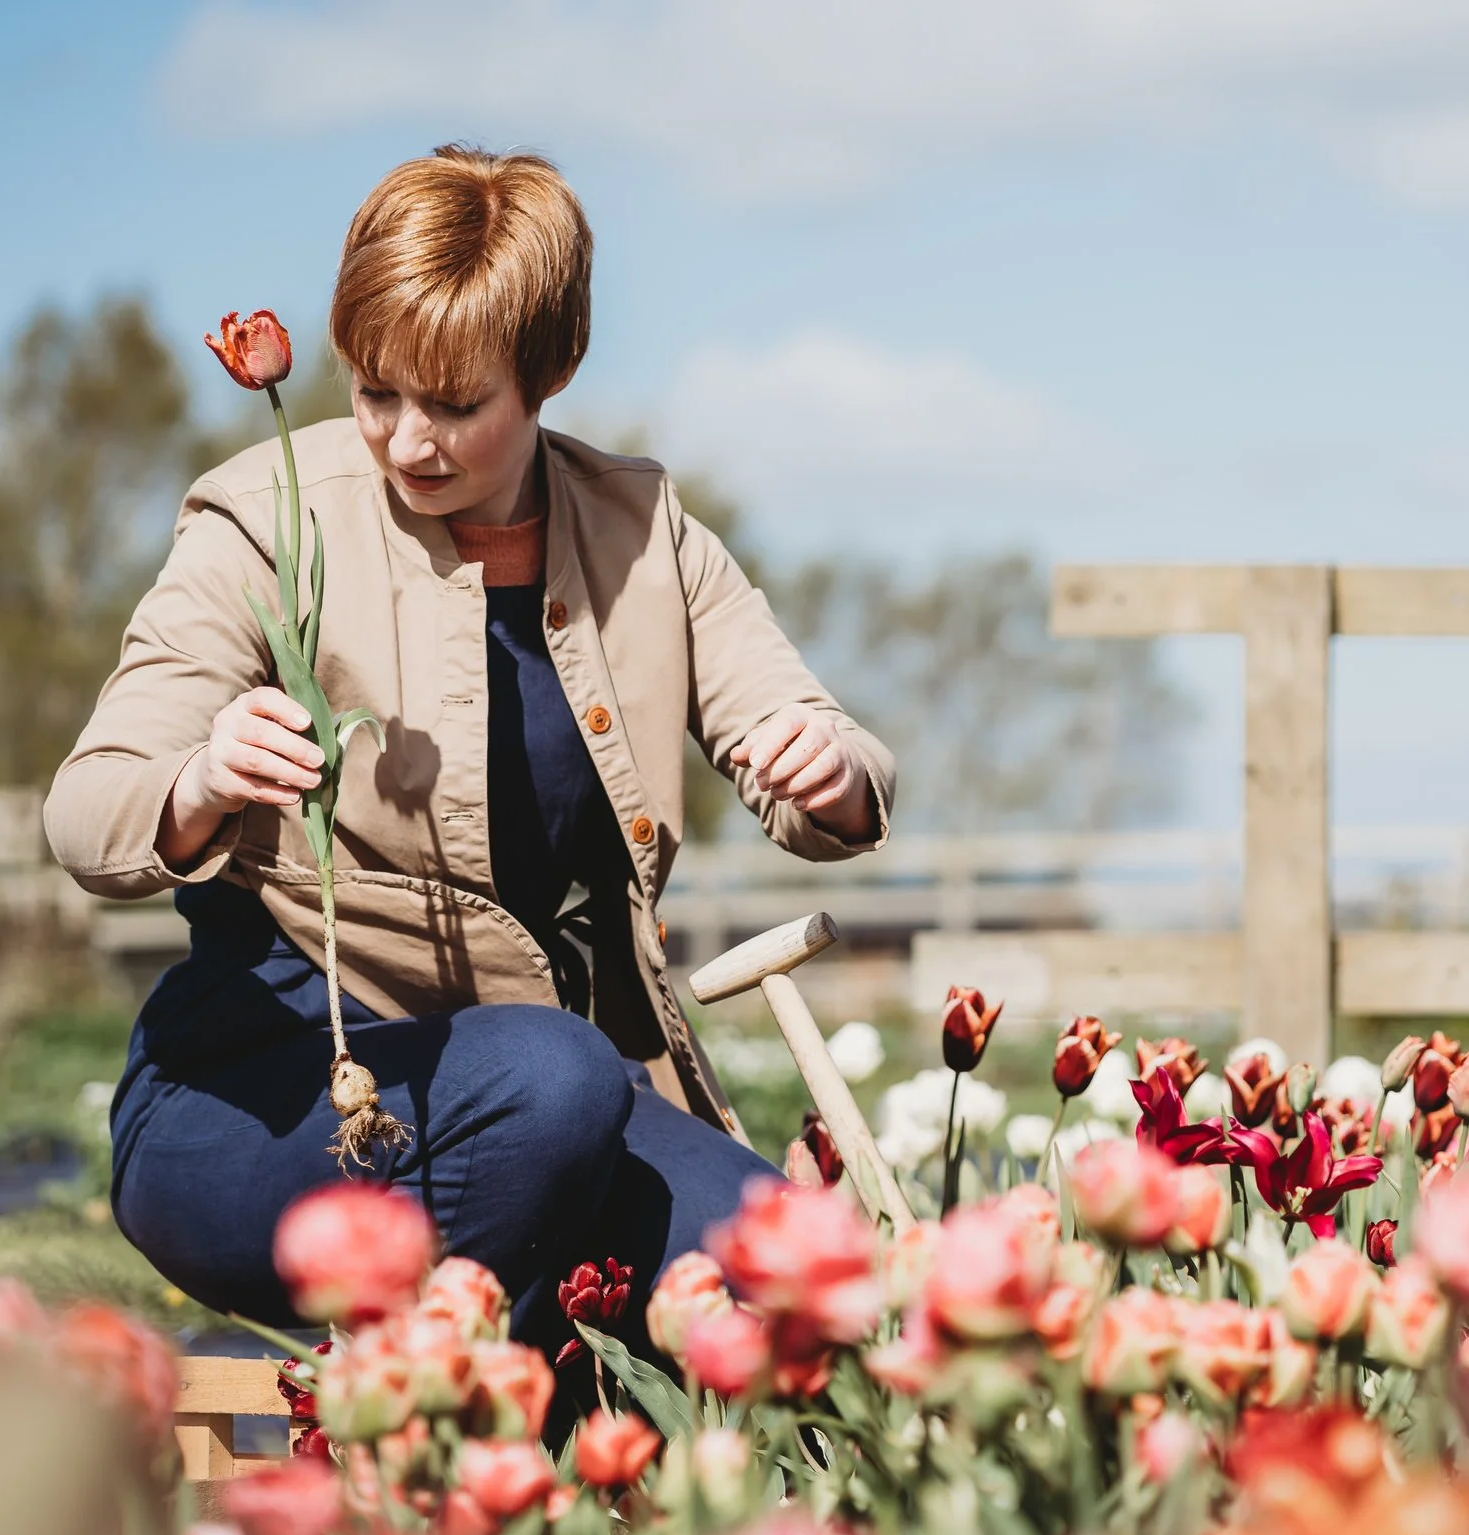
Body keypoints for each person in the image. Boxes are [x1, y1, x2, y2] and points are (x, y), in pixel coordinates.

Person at [44, 146, 894, 1366]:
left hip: (563, 1109)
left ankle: (554, 1407)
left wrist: (828, 770)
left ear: (546, 373)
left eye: (456, 404)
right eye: (378, 389)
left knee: (815, 1293)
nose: (405, 440)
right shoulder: (261, 517)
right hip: (273, 1099)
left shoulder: (646, 535)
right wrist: (199, 781)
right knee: (552, 1078)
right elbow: (86, 808)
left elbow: (839, 750)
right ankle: (454, 1434)